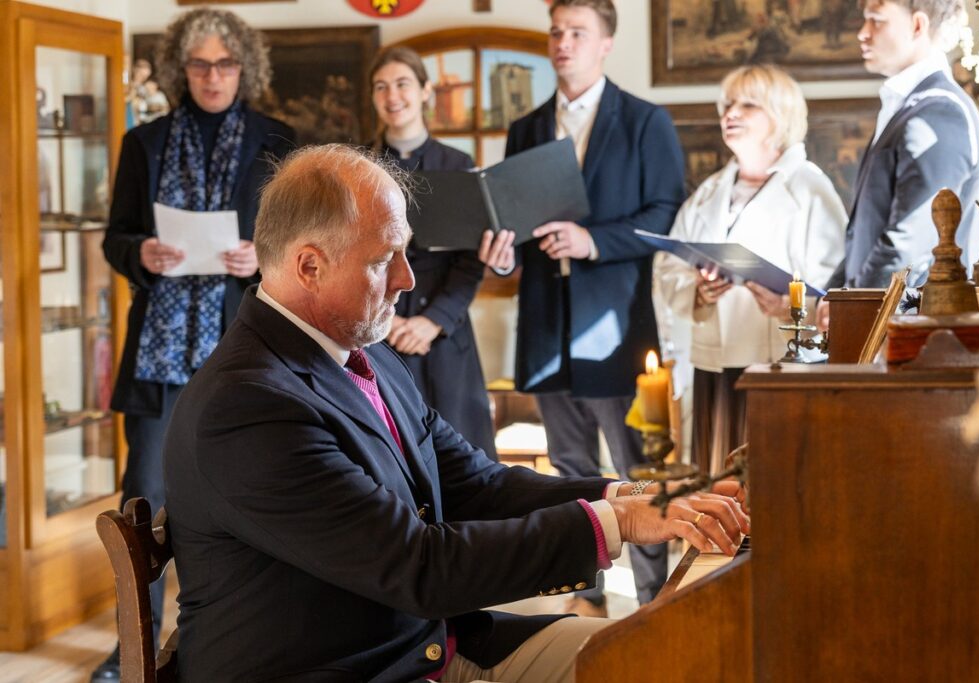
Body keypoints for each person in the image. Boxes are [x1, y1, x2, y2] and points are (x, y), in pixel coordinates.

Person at [162, 143, 748, 683]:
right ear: (309, 266)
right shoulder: (248, 406)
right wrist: (616, 523)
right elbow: (420, 568)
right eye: (384, 259)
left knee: (684, 657)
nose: (407, 279)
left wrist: (638, 496)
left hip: (423, 646)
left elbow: (477, 486)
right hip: (346, 668)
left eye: (406, 251)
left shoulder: (366, 354)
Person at [94, 8, 294, 682]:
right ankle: (132, 649)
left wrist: (262, 256)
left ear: (245, 68)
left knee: (247, 498)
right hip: (159, 356)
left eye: (225, 64)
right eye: (201, 64)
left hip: (245, 351)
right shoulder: (144, 141)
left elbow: (300, 242)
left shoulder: (276, 140)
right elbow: (116, 236)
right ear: (183, 68)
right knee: (143, 500)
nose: (213, 77)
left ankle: (243, 643)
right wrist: (140, 252)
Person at [479, 0, 686, 615]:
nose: (562, 42)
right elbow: (512, 225)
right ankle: (585, 599)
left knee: (637, 471)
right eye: (556, 32)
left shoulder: (645, 120)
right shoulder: (526, 128)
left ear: (605, 43)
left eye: (577, 32)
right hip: (547, 325)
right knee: (568, 470)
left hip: (616, 326)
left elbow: (665, 215)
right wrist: (501, 258)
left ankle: (653, 606)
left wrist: (592, 240)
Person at [652, 64, 847, 474]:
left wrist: (792, 305)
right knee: (715, 486)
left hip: (778, 366)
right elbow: (668, 265)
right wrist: (696, 291)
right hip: (713, 367)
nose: (731, 113)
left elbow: (837, 287)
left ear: (780, 114)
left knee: (769, 485)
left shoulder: (810, 189)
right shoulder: (710, 191)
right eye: (727, 104)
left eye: (748, 104)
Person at [818, 0, 979, 330]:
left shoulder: (940, 112)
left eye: (876, 20)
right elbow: (867, 234)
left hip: (918, 331)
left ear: (918, 26)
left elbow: (911, 240)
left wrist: (854, 306)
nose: (862, 33)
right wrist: (834, 295)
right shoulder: (909, 106)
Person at [369, 46, 497, 461]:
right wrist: (383, 321)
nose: (392, 96)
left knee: (464, 463)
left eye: (402, 84)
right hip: (377, 333)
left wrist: (433, 321)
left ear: (426, 91)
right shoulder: (359, 167)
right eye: (381, 87)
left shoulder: (458, 164)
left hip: (445, 335)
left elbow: (471, 259)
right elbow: (351, 253)